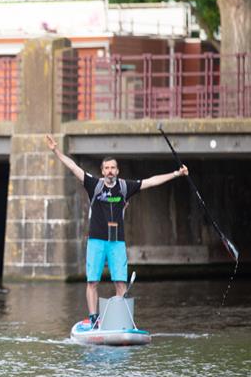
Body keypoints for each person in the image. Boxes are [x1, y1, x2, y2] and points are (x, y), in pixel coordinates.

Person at [45, 134, 188, 327]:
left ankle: (120, 320)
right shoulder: (93, 184)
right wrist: (55, 150)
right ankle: (95, 318)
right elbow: (73, 167)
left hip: (117, 243)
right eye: (107, 168)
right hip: (96, 241)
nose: (110, 171)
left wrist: (176, 174)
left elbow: (151, 181)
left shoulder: (124, 187)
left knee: (120, 283)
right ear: (102, 171)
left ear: (117, 170)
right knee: (92, 283)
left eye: (113, 168)